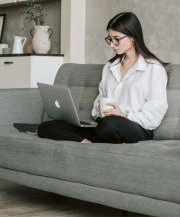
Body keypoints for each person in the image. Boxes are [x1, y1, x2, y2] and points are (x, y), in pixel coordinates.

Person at [38, 12, 169, 144]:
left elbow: (155, 113)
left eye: (116, 39)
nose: (112, 44)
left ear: (132, 37)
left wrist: (124, 115)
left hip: (137, 128)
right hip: (105, 125)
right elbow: (99, 101)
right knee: (47, 127)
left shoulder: (153, 69)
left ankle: (96, 139)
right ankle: (87, 144)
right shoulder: (110, 67)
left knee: (109, 125)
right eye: (110, 39)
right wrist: (100, 109)